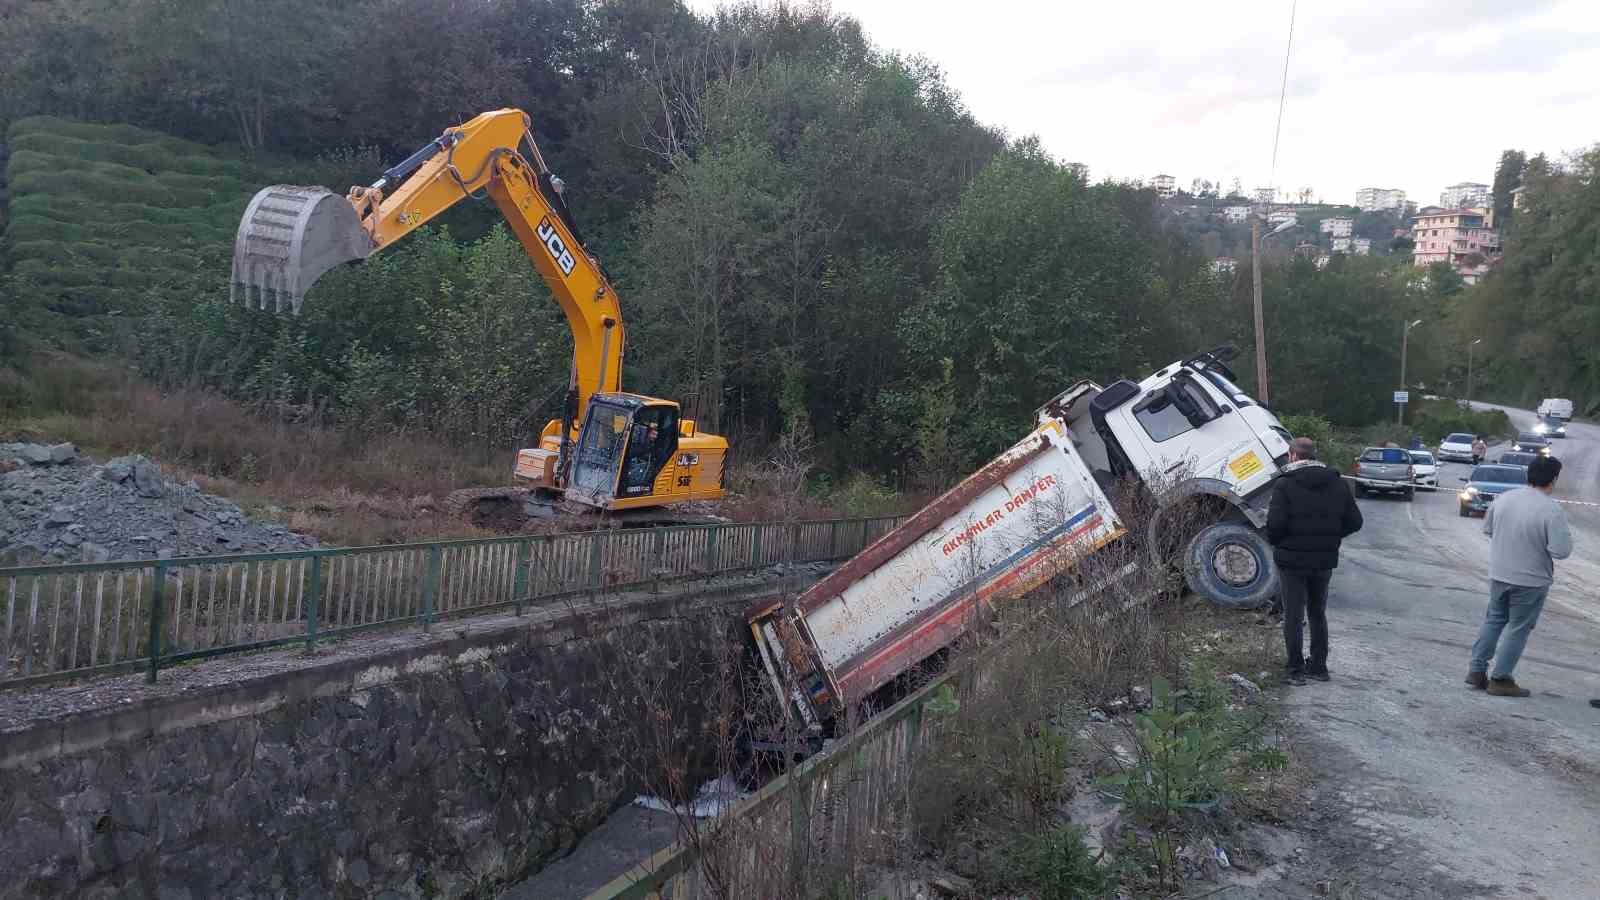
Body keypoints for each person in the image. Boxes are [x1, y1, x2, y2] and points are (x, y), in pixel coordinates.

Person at [1467, 455, 1571, 697]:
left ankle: (1476, 670)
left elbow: (1488, 529)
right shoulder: (1552, 509)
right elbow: (1561, 551)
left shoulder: (1505, 498)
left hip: (1500, 573)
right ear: (1554, 479)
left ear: (1529, 475)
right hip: (1531, 580)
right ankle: (1501, 678)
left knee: (1493, 621)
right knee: (1518, 628)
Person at [1265, 437, 1364, 685]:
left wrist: (1280, 541)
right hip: (1324, 560)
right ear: (1315, 455)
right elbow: (1355, 522)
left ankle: (1295, 669)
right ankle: (1319, 667)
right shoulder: (1338, 483)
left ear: (1293, 456)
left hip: (1292, 560)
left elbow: (1275, 526)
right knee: (1318, 612)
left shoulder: (1284, 485)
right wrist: (1330, 537)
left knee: (1293, 615)